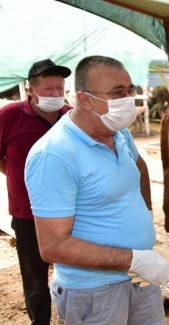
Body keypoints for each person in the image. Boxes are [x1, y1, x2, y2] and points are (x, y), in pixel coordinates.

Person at [24, 55, 169, 324]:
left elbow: (139, 167)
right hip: (94, 293)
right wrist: (133, 259)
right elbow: (52, 246)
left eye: (129, 91)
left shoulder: (119, 132)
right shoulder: (55, 154)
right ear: (84, 99)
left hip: (141, 279)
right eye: (117, 93)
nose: (127, 100)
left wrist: (146, 213)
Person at [0, 59, 72, 325]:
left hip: (69, 214)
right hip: (27, 214)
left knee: (72, 274)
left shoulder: (71, 118)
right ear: (31, 89)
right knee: (35, 279)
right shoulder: (9, 116)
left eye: (59, 89)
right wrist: (22, 178)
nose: (55, 95)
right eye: (48, 89)